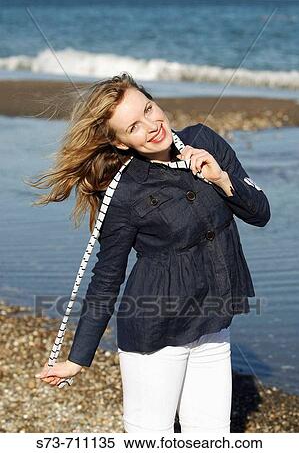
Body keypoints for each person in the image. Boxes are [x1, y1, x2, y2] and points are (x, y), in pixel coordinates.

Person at [33, 72, 271, 434]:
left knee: (211, 437)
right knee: (150, 439)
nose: (151, 125)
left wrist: (222, 180)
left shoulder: (205, 141)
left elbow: (261, 213)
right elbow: (107, 276)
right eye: (134, 127)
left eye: (148, 108)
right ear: (122, 143)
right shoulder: (123, 192)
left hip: (212, 324)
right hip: (155, 334)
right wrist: (78, 358)